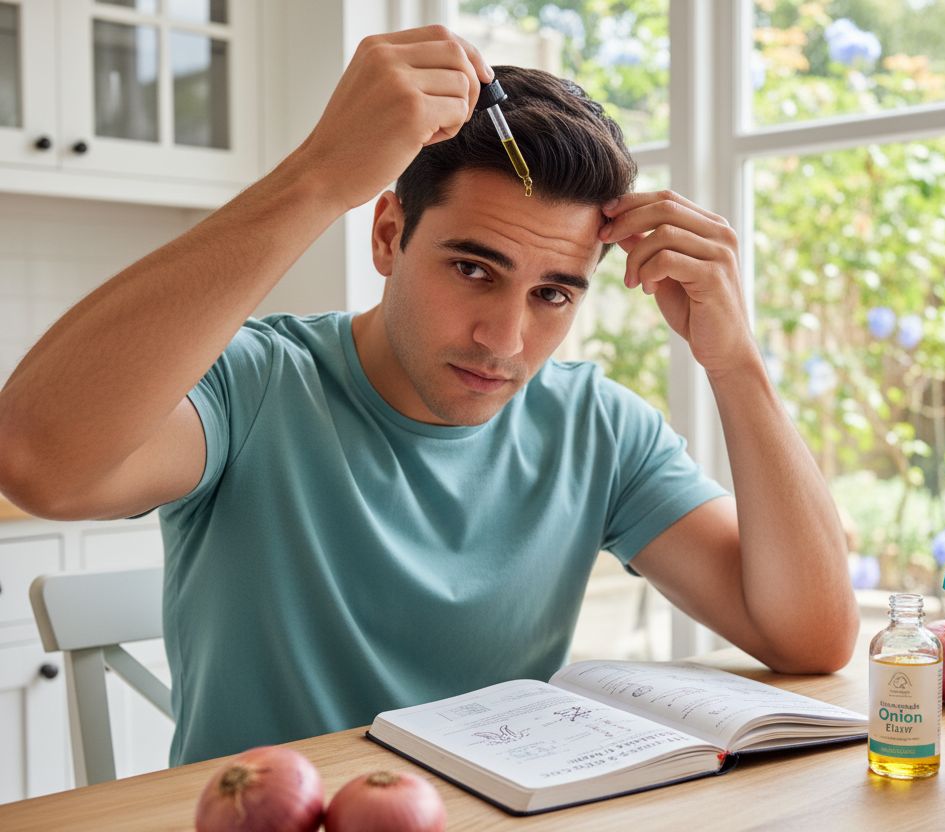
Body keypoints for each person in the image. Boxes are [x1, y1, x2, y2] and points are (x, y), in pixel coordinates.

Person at [0, 26, 857, 765]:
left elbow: (812, 637)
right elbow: (37, 464)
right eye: (474, 269)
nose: (505, 339)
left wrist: (734, 361)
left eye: (553, 293)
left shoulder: (595, 426)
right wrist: (317, 176)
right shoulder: (255, 382)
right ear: (388, 234)